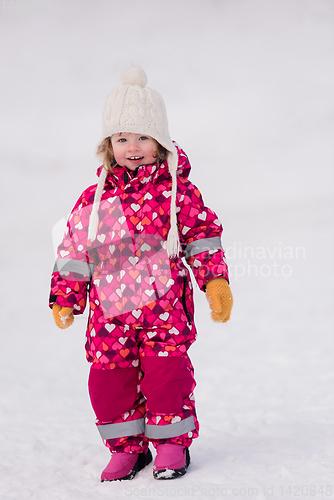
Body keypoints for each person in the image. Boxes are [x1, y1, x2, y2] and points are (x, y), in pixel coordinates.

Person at [49, 65, 233, 481]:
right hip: (110, 313)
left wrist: (215, 281)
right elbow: (75, 250)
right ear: (108, 145)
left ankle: (170, 444)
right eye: (122, 138)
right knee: (109, 382)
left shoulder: (177, 191)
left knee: (167, 376)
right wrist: (65, 295)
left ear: (161, 142)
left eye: (143, 137)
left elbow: (202, 236)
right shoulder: (93, 199)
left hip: (163, 308)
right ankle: (126, 448)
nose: (133, 147)